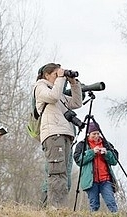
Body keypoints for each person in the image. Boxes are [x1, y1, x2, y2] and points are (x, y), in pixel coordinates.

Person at [35, 63, 82, 208]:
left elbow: (77, 102)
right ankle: (55, 208)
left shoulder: (59, 92)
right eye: (56, 74)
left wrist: (73, 83)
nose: (59, 77)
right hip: (53, 134)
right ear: (47, 75)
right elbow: (53, 97)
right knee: (57, 172)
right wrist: (61, 79)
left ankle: (60, 207)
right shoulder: (40, 87)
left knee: (63, 174)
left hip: (65, 133)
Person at [73, 121, 119, 213]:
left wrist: (107, 153)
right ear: (88, 134)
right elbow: (79, 161)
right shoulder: (81, 145)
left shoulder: (106, 144)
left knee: (111, 202)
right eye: (94, 134)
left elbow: (114, 161)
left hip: (105, 179)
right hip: (91, 181)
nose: (96, 136)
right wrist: (91, 152)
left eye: (98, 133)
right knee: (94, 204)